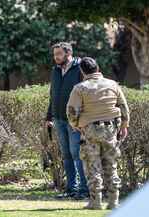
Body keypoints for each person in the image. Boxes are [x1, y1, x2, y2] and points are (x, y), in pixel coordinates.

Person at [67, 57, 130, 210]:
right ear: (98, 68)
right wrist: (124, 125)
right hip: (111, 129)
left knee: (92, 165)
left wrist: (76, 125)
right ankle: (114, 201)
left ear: (82, 71)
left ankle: (95, 202)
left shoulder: (80, 88)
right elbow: (123, 106)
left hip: (89, 130)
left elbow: (71, 111)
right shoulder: (112, 84)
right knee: (111, 164)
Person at [46, 42, 89, 199]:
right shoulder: (55, 70)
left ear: (68, 53)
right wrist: (49, 116)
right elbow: (53, 95)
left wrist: (82, 119)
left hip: (75, 121)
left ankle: (84, 190)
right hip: (58, 119)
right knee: (66, 155)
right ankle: (71, 189)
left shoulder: (80, 68)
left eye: (59, 54)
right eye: (54, 54)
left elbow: (86, 95)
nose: (56, 57)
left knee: (77, 154)